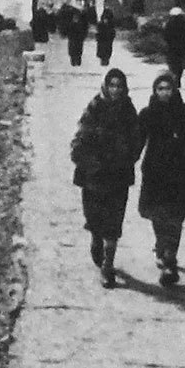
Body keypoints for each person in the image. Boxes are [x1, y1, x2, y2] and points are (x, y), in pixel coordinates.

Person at [70, 68, 140, 288]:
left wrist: (127, 157)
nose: (116, 90)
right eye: (112, 85)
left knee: (114, 220)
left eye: (119, 86)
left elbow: (137, 140)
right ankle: (95, 239)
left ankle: (108, 267)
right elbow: (81, 137)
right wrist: (88, 160)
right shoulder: (95, 107)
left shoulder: (129, 110)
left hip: (118, 174)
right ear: (105, 86)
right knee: (94, 216)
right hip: (94, 174)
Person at [135, 72, 185, 287]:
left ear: (175, 90)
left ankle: (170, 260)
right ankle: (161, 244)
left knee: (175, 217)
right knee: (158, 214)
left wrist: (182, 142)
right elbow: (137, 141)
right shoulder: (147, 114)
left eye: (168, 88)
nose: (164, 93)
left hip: (180, 173)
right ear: (154, 91)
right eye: (160, 89)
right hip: (155, 172)